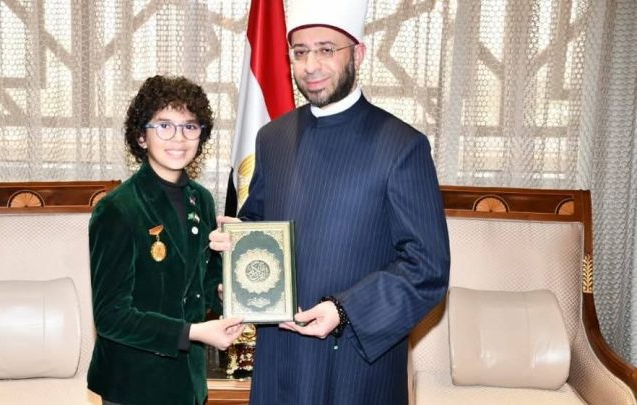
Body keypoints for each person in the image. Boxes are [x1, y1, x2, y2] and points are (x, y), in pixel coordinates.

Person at [208, 1, 450, 403]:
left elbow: (427, 268)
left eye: (326, 49)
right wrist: (239, 251)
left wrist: (344, 310)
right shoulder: (273, 138)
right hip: (281, 357)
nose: (311, 65)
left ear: (358, 53)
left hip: (355, 361)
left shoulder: (403, 146)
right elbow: (258, 223)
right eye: (300, 52)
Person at [88, 75, 245, 405]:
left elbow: (201, 281)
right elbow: (111, 316)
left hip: (188, 381)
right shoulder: (117, 209)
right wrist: (193, 333)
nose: (179, 138)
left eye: (190, 126)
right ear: (141, 137)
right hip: (135, 383)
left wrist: (224, 292)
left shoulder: (201, 200)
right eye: (164, 126)